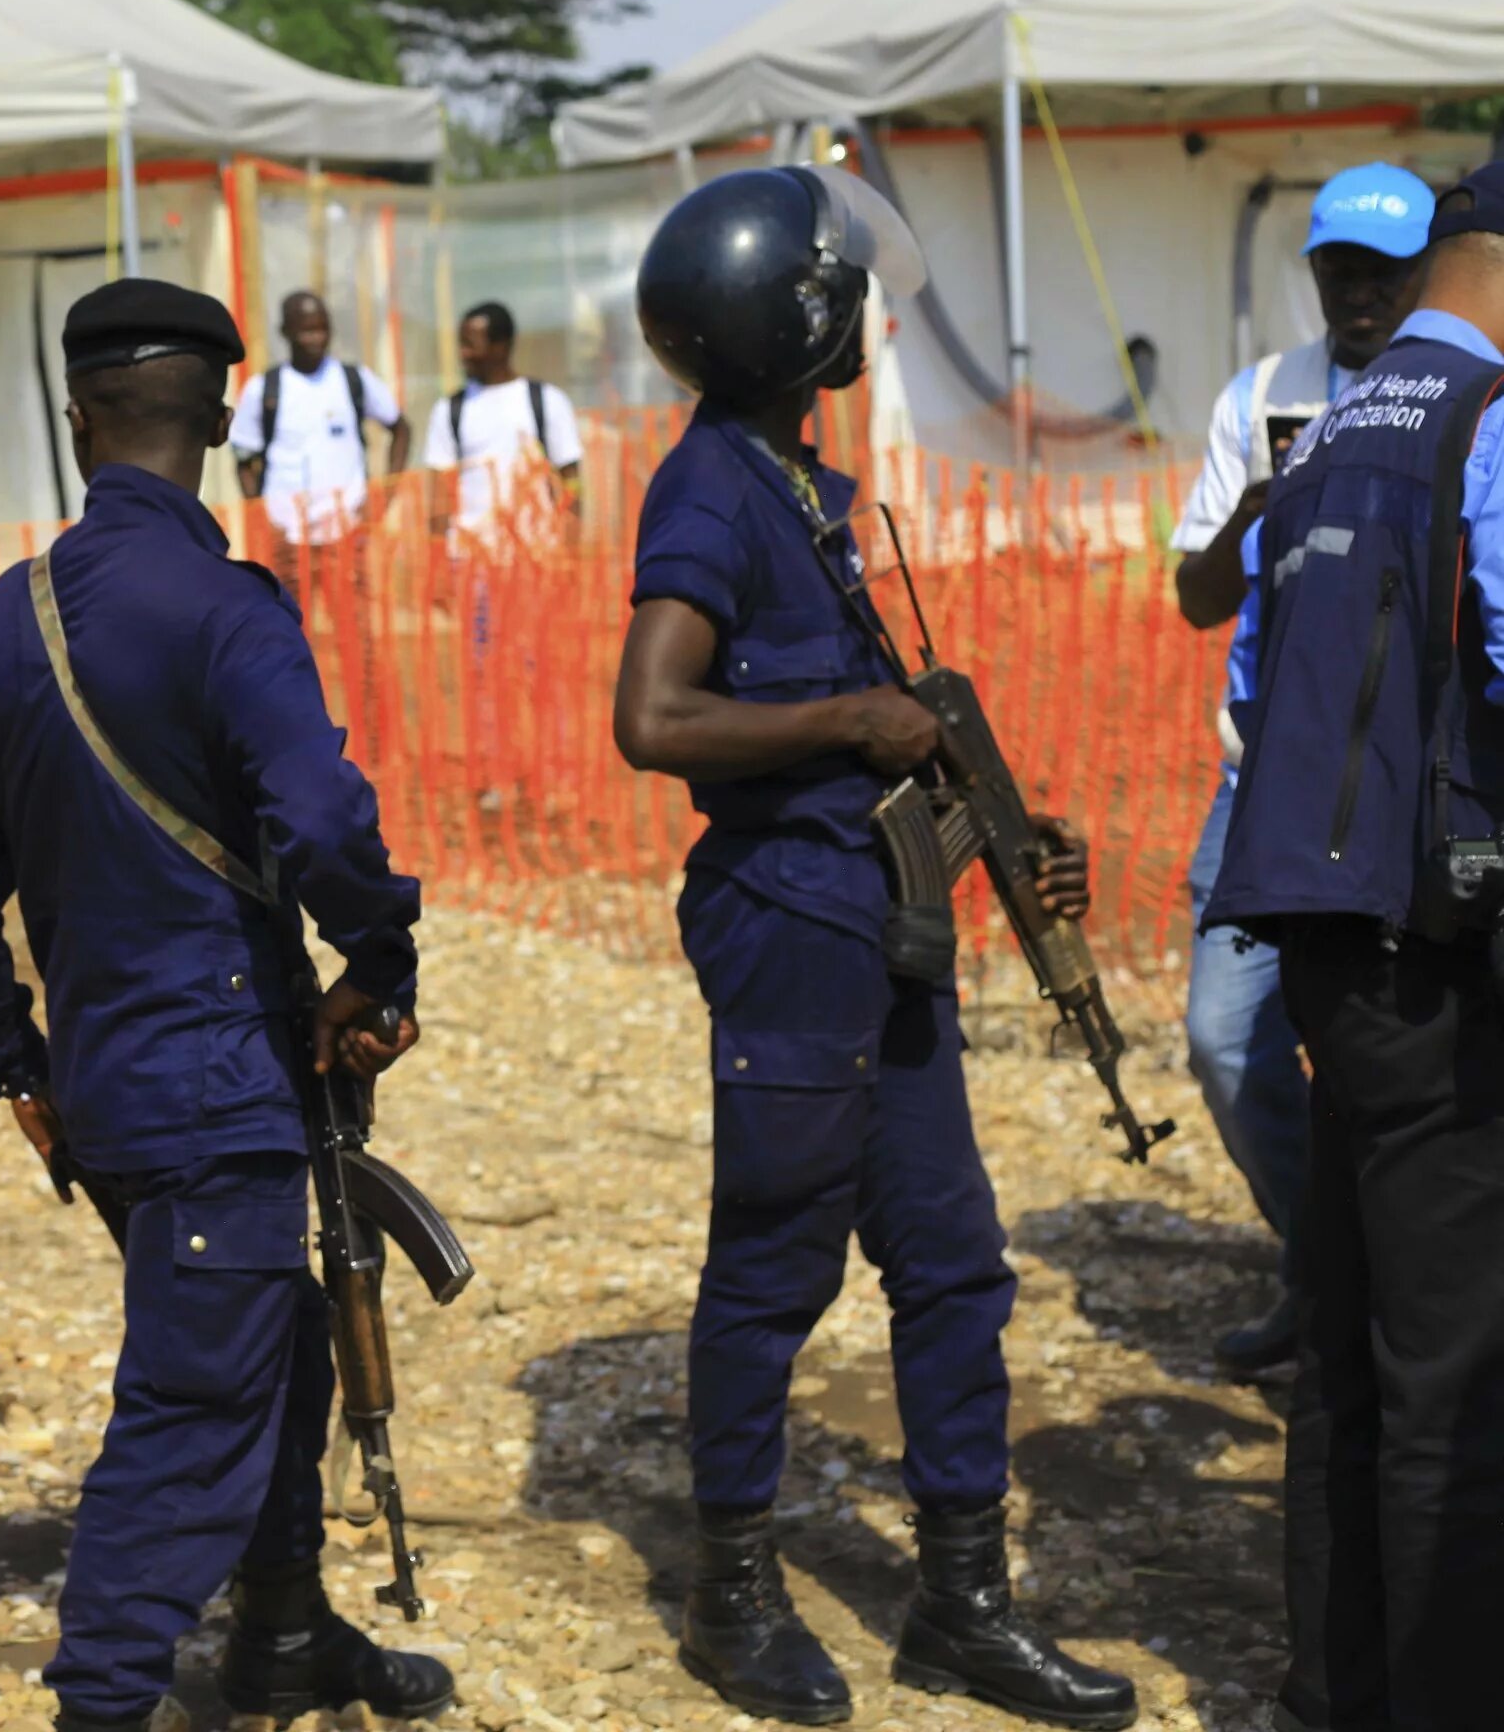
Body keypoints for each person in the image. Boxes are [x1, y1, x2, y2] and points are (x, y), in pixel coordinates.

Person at [613, 166, 1133, 1731]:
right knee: (772, 1269)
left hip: (881, 935)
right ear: (798, 317)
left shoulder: (800, 486)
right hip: (788, 931)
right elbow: (653, 717)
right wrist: (850, 716)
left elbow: (899, 739)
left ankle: (962, 1607)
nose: (868, 312)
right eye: (846, 290)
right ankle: (731, 1596)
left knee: (955, 1270)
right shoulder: (711, 486)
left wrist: (1009, 831)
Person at [0, 277, 449, 1732]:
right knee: (188, 1421)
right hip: (224, 1088)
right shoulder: (226, 608)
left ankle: (282, 1633)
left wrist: (24, 1072)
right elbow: (325, 824)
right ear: (219, 412)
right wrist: (382, 963)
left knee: (272, 1362)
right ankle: (105, 1701)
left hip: (117, 1095)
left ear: (79, 418)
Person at [1205, 164, 1504, 1732]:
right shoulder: (1486, 420)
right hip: (1437, 950)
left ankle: (1337, 1693)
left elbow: (1267, 670)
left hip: (1326, 930)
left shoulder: (1334, 424)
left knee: (1349, 1345)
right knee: (1454, 1375)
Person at [1167, 163, 1433, 1384]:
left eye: (1385, 267)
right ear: (1314, 267)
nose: (1360, 289)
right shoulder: (1263, 392)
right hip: (1267, 776)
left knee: (1406, 1047)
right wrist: (1258, 512)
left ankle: (1400, 1295)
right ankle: (1325, 1266)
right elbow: (1193, 597)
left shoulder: (1461, 393)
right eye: (1341, 266)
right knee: (1228, 1039)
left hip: (1410, 781)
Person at [230, 288, 409, 550]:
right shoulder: (262, 389)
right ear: (285, 332)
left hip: (349, 533)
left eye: (322, 329)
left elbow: (401, 429)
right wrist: (263, 519)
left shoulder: (354, 380)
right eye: (307, 330)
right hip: (286, 538)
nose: (317, 338)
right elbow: (244, 460)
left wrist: (384, 496)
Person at [423, 299, 584, 537]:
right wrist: (438, 558)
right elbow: (439, 494)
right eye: (461, 344)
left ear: (501, 346)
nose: (463, 354)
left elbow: (571, 481)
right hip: (470, 561)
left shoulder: (546, 400)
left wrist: (572, 554)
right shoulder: (448, 410)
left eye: (470, 344)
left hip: (538, 556)